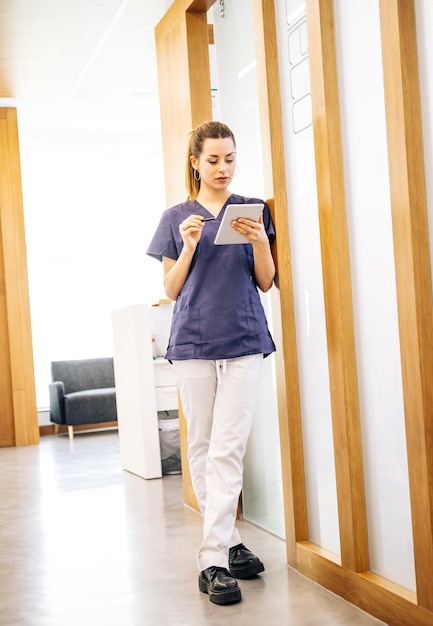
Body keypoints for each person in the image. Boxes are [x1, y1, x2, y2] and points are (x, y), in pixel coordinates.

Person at [146, 121, 276, 605]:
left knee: (227, 448)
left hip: (244, 339)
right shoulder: (176, 218)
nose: (224, 168)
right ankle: (232, 543)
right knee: (201, 447)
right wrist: (190, 247)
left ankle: (211, 560)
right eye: (214, 160)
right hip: (194, 343)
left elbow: (266, 282)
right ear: (196, 162)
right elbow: (171, 289)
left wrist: (260, 241)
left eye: (230, 158)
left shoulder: (253, 211)